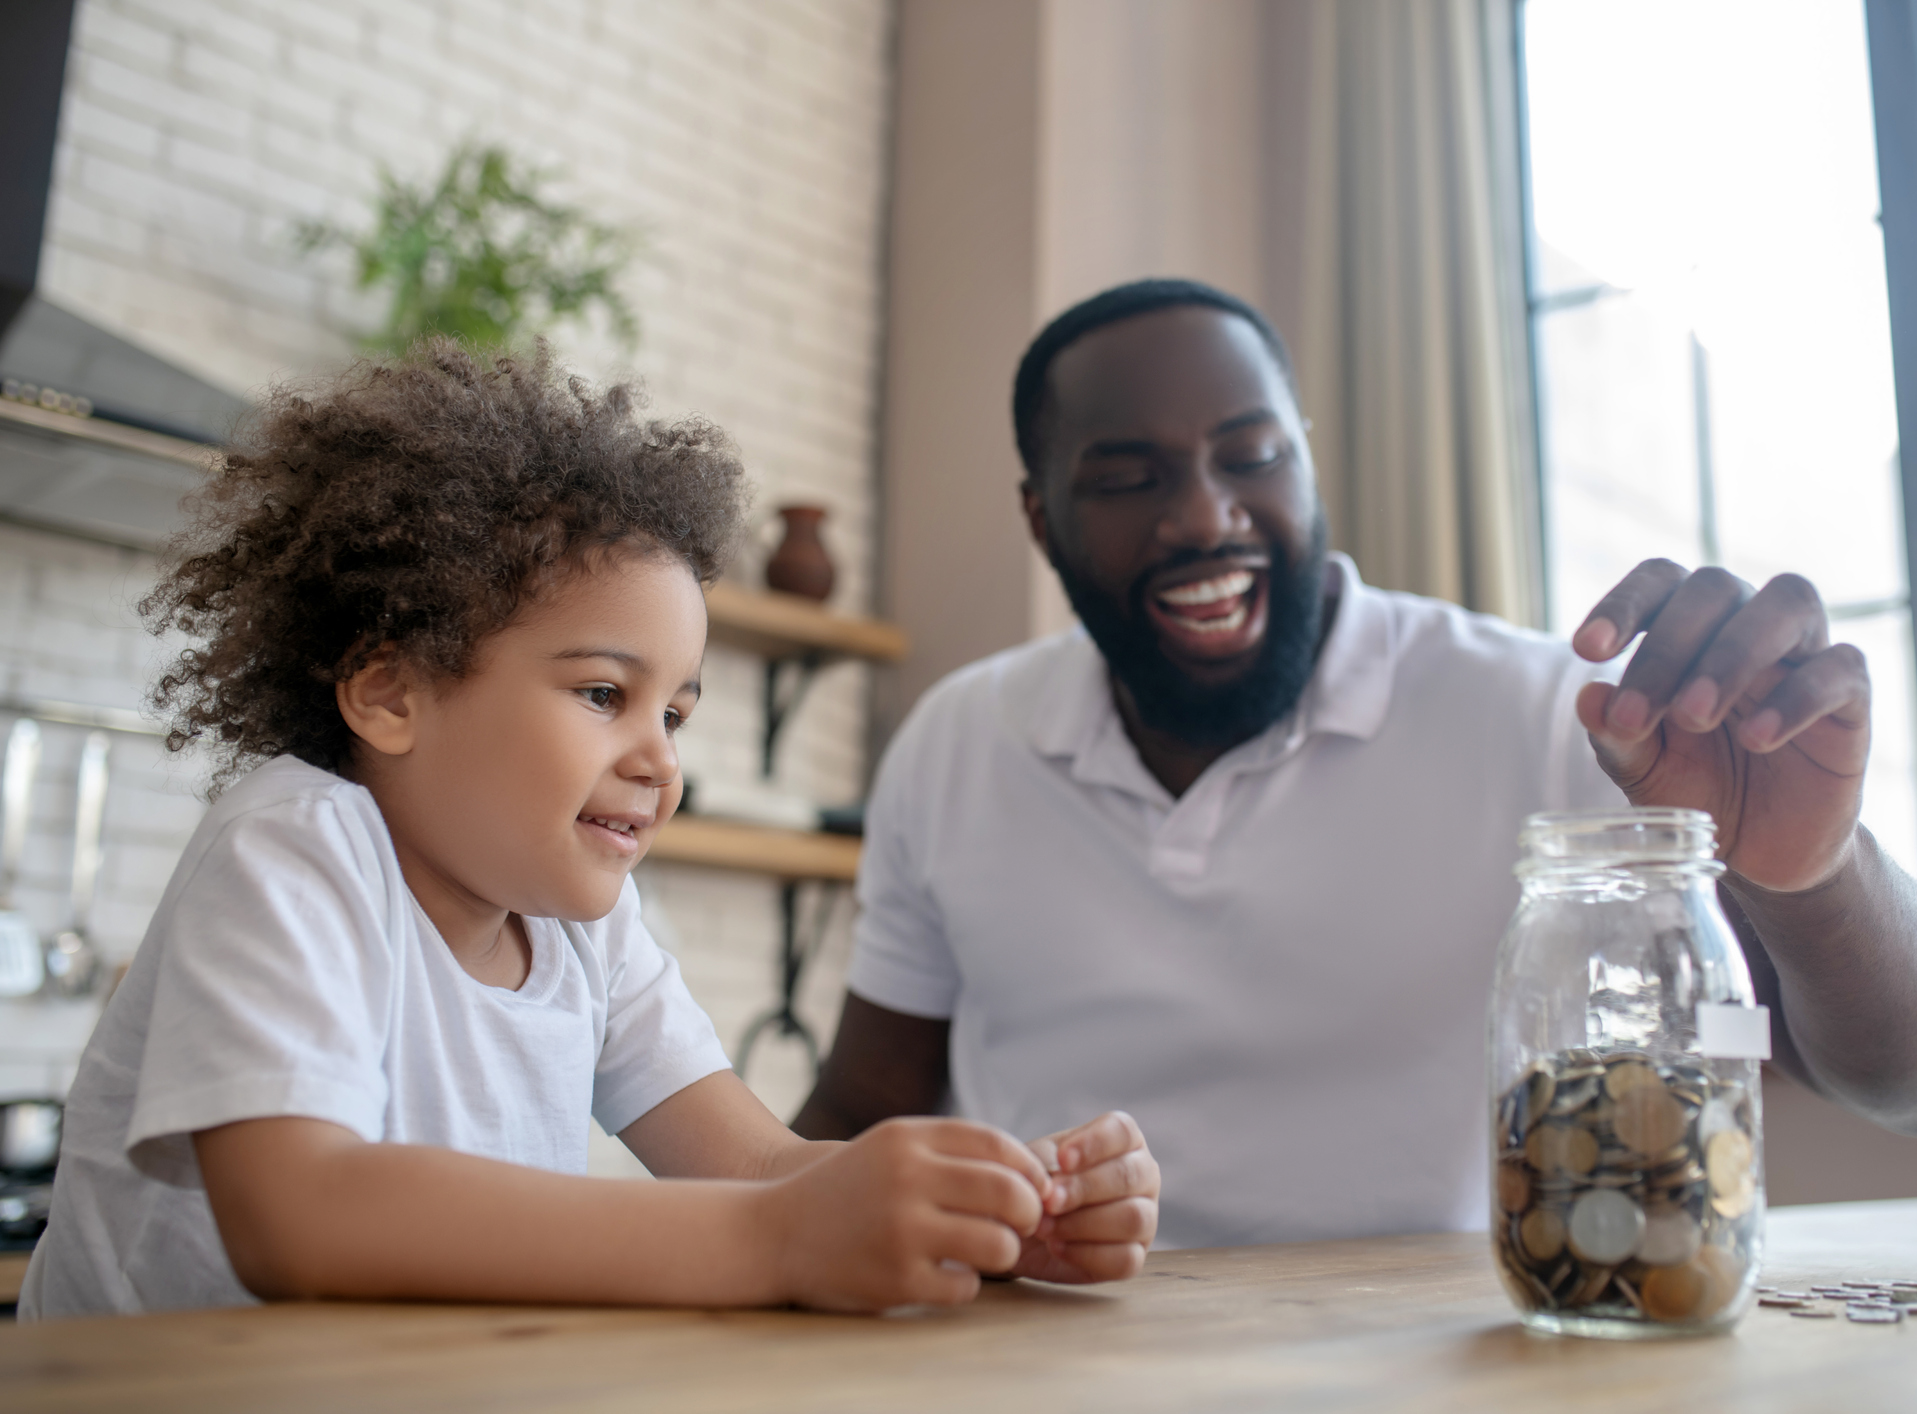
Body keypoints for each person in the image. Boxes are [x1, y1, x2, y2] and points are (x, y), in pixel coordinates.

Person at [794, 279, 1917, 1249]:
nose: (1207, 515)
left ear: (1308, 465)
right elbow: (856, 1116)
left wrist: (1816, 875)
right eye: (1125, 477)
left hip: (1448, 1372)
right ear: (1040, 518)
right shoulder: (958, 742)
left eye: (1253, 454)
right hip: (1053, 1369)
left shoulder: (1559, 719)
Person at [20, 341, 1156, 1320]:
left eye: (675, 711)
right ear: (392, 693)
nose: (660, 756)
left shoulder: (587, 928)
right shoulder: (298, 846)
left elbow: (756, 1164)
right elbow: (302, 1216)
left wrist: (991, 1212)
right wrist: (781, 1241)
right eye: (604, 695)